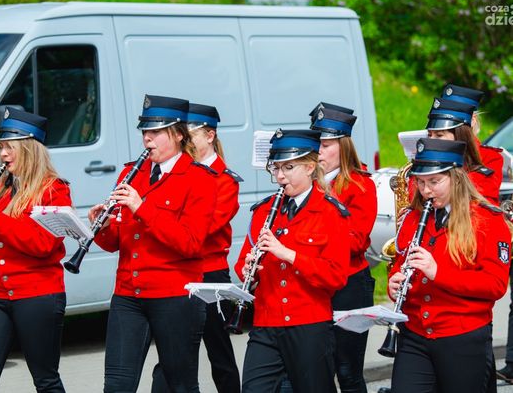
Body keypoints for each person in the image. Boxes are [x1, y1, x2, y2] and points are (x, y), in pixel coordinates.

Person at [89, 95, 216, 393]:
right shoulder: (131, 173)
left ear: (179, 135)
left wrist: (142, 208)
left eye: (157, 132)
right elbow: (117, 242)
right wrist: (102, 228)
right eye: (145, 131)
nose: (148, 138)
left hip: (174, 296)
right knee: (117, 385)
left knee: (179, 385)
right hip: (128, 293)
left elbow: (190, 243)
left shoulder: (199, 179)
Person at [388, 137, 511, 393]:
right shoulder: (413, 218)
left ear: (456, 178)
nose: (426, 191)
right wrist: (394, 283)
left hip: (462, 336)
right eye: (421, 182)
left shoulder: (487, 220)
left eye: (434, 182)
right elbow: (401, 264)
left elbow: (495, 285)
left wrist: (438, 273)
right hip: (415, 333)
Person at [235, 128, 351, 392]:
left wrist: (289, 254)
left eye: (288, 168)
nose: (280, 176)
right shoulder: (264, 210)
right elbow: (242, 266)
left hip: (309, 324)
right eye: (276, 168)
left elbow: (336, 276)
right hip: (266, 322)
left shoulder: (329, 212)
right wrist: (249, 269)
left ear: (310, 167)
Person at [0, 107, 72, 392]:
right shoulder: (0, 189)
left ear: (29, 149)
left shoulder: (54, 190)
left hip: (38, 295)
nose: (3, 154)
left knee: (45, 380)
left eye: (9, 148)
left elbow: (42, 245)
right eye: (0, 147)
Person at [310, 102, 377, 393]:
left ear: (343, 146)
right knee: (315, 369)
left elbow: (356, 241)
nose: (318, 151)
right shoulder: (304, 184)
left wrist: (312, 235)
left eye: (325, 145)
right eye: (316, 144)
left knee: (348, 371)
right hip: (314, 283)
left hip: (349, 285)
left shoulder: (359, 184)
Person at [187, 102, 242, 393]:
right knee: (176, 351)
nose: (184, 142)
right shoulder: (181, 173)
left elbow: (206, 227)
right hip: (181, 272)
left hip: (210, 273)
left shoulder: (225, 180)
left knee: (219, 352)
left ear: (209, 136)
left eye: (190, 136)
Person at [425, 96, 501, 205]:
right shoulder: (427, 156)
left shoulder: (491, 157)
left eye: (439, 135)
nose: (431, 141)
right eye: (429, 135)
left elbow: (481, 199)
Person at [440, 83, 504, 183]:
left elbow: (481, 189)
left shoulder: (490, 157)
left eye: (456, 119)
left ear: (472, 120)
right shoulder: (430, 149)